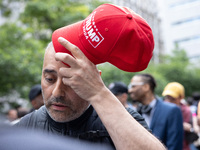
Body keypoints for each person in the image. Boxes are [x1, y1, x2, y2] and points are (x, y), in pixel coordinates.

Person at [15, 3, 166, 150]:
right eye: (49, 79)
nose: (56, 92)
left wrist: (99, 94)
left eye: (71, 81)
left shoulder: (123, 121)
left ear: (94, 80)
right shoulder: (25, 128)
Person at [128, 73, 183, 150]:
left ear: (146, 87)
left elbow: (174, 145)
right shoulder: (134, 112)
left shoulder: (172, 110)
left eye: (133, 86)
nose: (130, 90)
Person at [162, 82, 198, 150]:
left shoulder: (186, 111)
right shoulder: (161, 108)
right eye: (167, 97)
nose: (169, 101)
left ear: (181, 97)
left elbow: (192, 128)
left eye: (172, 98)